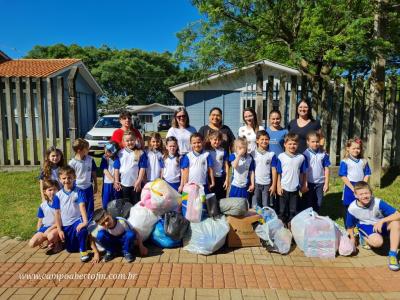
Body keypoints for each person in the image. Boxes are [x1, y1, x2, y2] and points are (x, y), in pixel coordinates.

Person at [346, 181, 400, 271]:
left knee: (395, 223)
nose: (364, 196)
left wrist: (383, 220)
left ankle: (392, 255)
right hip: (366, 226)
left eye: (366, 193)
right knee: (378, 242)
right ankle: (363, 237)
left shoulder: (378, 202)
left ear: (371, 193)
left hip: (380, 224)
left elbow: (398, 214)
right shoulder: (352, 208)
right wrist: (352, 238)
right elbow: (349, 226)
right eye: (361, 194)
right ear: (355, 195)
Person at [53, 166, 90, 262]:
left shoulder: (79, 191)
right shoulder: (58, 195)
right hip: (66, 225)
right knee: (70, 249)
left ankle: (83, 251)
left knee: (82, 230)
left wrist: (85, 222)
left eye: (69, 177)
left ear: (74, 177)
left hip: (76, 221)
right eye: (64, 178)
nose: (67, 180)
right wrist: (59, 229)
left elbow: (82, 206)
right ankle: (84, 242)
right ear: (60, 180)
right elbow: (57, 213)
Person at [276, 133, 308, 224]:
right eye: (290, 144)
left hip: (295, 189)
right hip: (283, 188)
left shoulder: (301, 157)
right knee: (282, 210)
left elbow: (304, 173)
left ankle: (292, 227)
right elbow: (279, 173)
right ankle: (282, 227)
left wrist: (304, 184)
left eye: (294, 144)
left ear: (298, 145)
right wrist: (278, 186)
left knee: (293, 210)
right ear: (285, 144)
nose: (292, 146)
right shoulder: (281, 157)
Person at [339, 137, 371, 223]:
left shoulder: (364, 161)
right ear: (348, 149)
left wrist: (363, 185)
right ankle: (349, 226)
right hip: (350, 187)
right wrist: (352, 188)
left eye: (358, 148)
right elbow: (343, 176)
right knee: (348, 206)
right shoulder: (345, 161)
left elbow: (367, 173)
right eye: (354, 148)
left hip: (361, 186)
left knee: (361, 204)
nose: (356, 150)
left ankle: (359, 224)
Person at [29, 180, 62, 254]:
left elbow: (61, 220)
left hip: (57, 227)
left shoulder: (60, 204)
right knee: (32, 243)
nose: (52, 192)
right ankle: (50, 241)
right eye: (50, 190)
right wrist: (38, 231)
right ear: (45, 192)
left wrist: (49, 230)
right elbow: (40, 220)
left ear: (58, 191)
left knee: (50, 236)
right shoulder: (43, 205)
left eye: (55, 189)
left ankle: (58, 243)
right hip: (45, 228)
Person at [114, 131, 147, 205]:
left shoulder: (140, 153)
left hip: (135, 185)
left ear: (135, 140)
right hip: (124, 184)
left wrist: (138, 181)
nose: (130, 142)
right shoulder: (120, 153)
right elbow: (116, 168)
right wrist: (116, 181)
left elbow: (142, 168)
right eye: (127, 141)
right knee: (126, 205)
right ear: (123, 142)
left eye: (132, 140)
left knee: (136, 204)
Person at [68, 138, 97, 220]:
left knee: (90, 207)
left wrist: (95, 184)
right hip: (78, 188)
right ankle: (82, 223)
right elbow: (70, 177)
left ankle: (90, 225)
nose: (89, 150)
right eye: (87, 148)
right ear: (79, 150)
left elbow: (93, 172)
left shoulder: (90, 159)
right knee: (81, 207)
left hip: (88, 187)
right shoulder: (72, 163)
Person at [303, 132, 330, 213]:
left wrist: (326, 183)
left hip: (320, 183)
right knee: (308, 203)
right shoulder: (305, 154)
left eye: (317, 141)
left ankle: (316, 218)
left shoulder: (323, 154)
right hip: (309, 183)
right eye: (313, 142)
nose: (315, 144)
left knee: (319, 203)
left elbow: (326, 168)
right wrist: (304, 183)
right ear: (308, 142)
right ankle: (308, 219)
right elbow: (304, 170)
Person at [251, 130, 277, 208]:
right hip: (256, 183)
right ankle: (256, 219)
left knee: (266, 205)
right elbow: (250, 170)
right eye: (262, 139)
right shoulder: (253, 153)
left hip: (267, 184)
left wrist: (274, 184)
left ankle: (265, 219)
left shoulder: (272, 154)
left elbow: (274, 170)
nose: (264, 141)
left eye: (266, 139)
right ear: (257, 141)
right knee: (255, 205)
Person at [206, 130, 230, 200]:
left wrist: (227, 179)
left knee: (221, 199)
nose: (217, 141)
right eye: (215, 140)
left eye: (219, 140)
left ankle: (221, 211)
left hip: (221, 178)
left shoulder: (223, 151)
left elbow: (226, 166)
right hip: (210, 178)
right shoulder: (206, 151)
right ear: (210, 139)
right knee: (210, 199)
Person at [99, 142, 120, 209]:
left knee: (116, 201)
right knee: (106, 202)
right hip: (108, 183)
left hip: (116, 183)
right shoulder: (105, 158)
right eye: (105, 151)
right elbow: (105, 170)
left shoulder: (117, 158)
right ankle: (106, 215)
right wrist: (113, 181)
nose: (105, 154)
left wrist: (115, 182)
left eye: (107, 152)